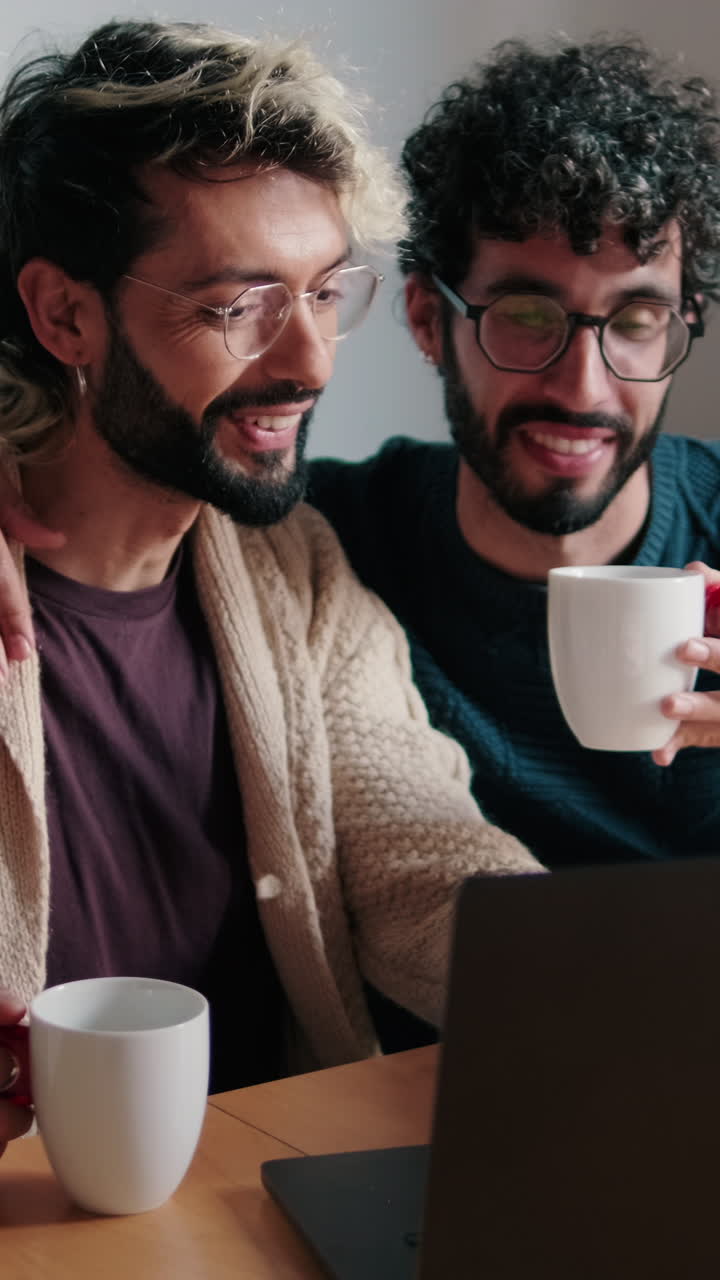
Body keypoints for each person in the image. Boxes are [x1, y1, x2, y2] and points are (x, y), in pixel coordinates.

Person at [0, 19, 542, 1159]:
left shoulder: (297, 571)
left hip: (263, 1198)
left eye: (326, 291)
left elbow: (423, 859)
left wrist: (605, 978)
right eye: (238, 305)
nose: (310, 360)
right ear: (64, 315)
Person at [306, 35, 720, 869]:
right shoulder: (322, 545)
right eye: (528, 316)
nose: (584, 388)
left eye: (637, 322)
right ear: (428, 319)